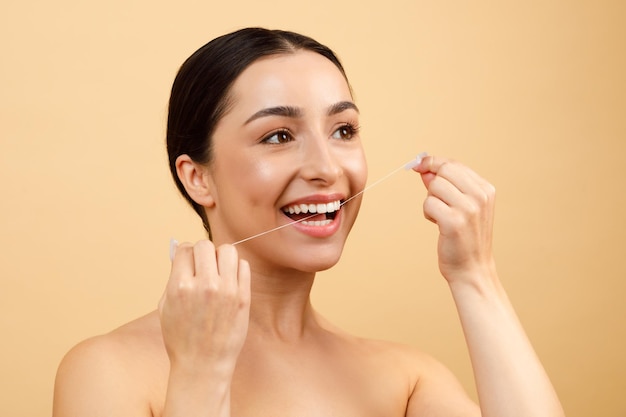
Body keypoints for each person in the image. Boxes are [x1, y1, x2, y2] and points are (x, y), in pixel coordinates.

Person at [52, 27, 565, 417]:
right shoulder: (109, 370)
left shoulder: (405, 380)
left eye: (343, 129)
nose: (326, 168)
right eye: (278, 135)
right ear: (197, 178)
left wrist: (476, 277)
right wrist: (200, 377)